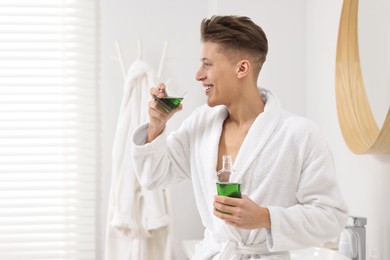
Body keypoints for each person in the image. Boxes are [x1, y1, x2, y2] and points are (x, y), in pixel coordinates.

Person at [131, 15, 348, 259]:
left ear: (242, 68)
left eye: (207, 64)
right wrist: (155, 126)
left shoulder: (299, 135)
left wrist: (265, 218)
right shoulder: (200, 125)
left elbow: (332, 217)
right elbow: (153, 176)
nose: (198, 75)